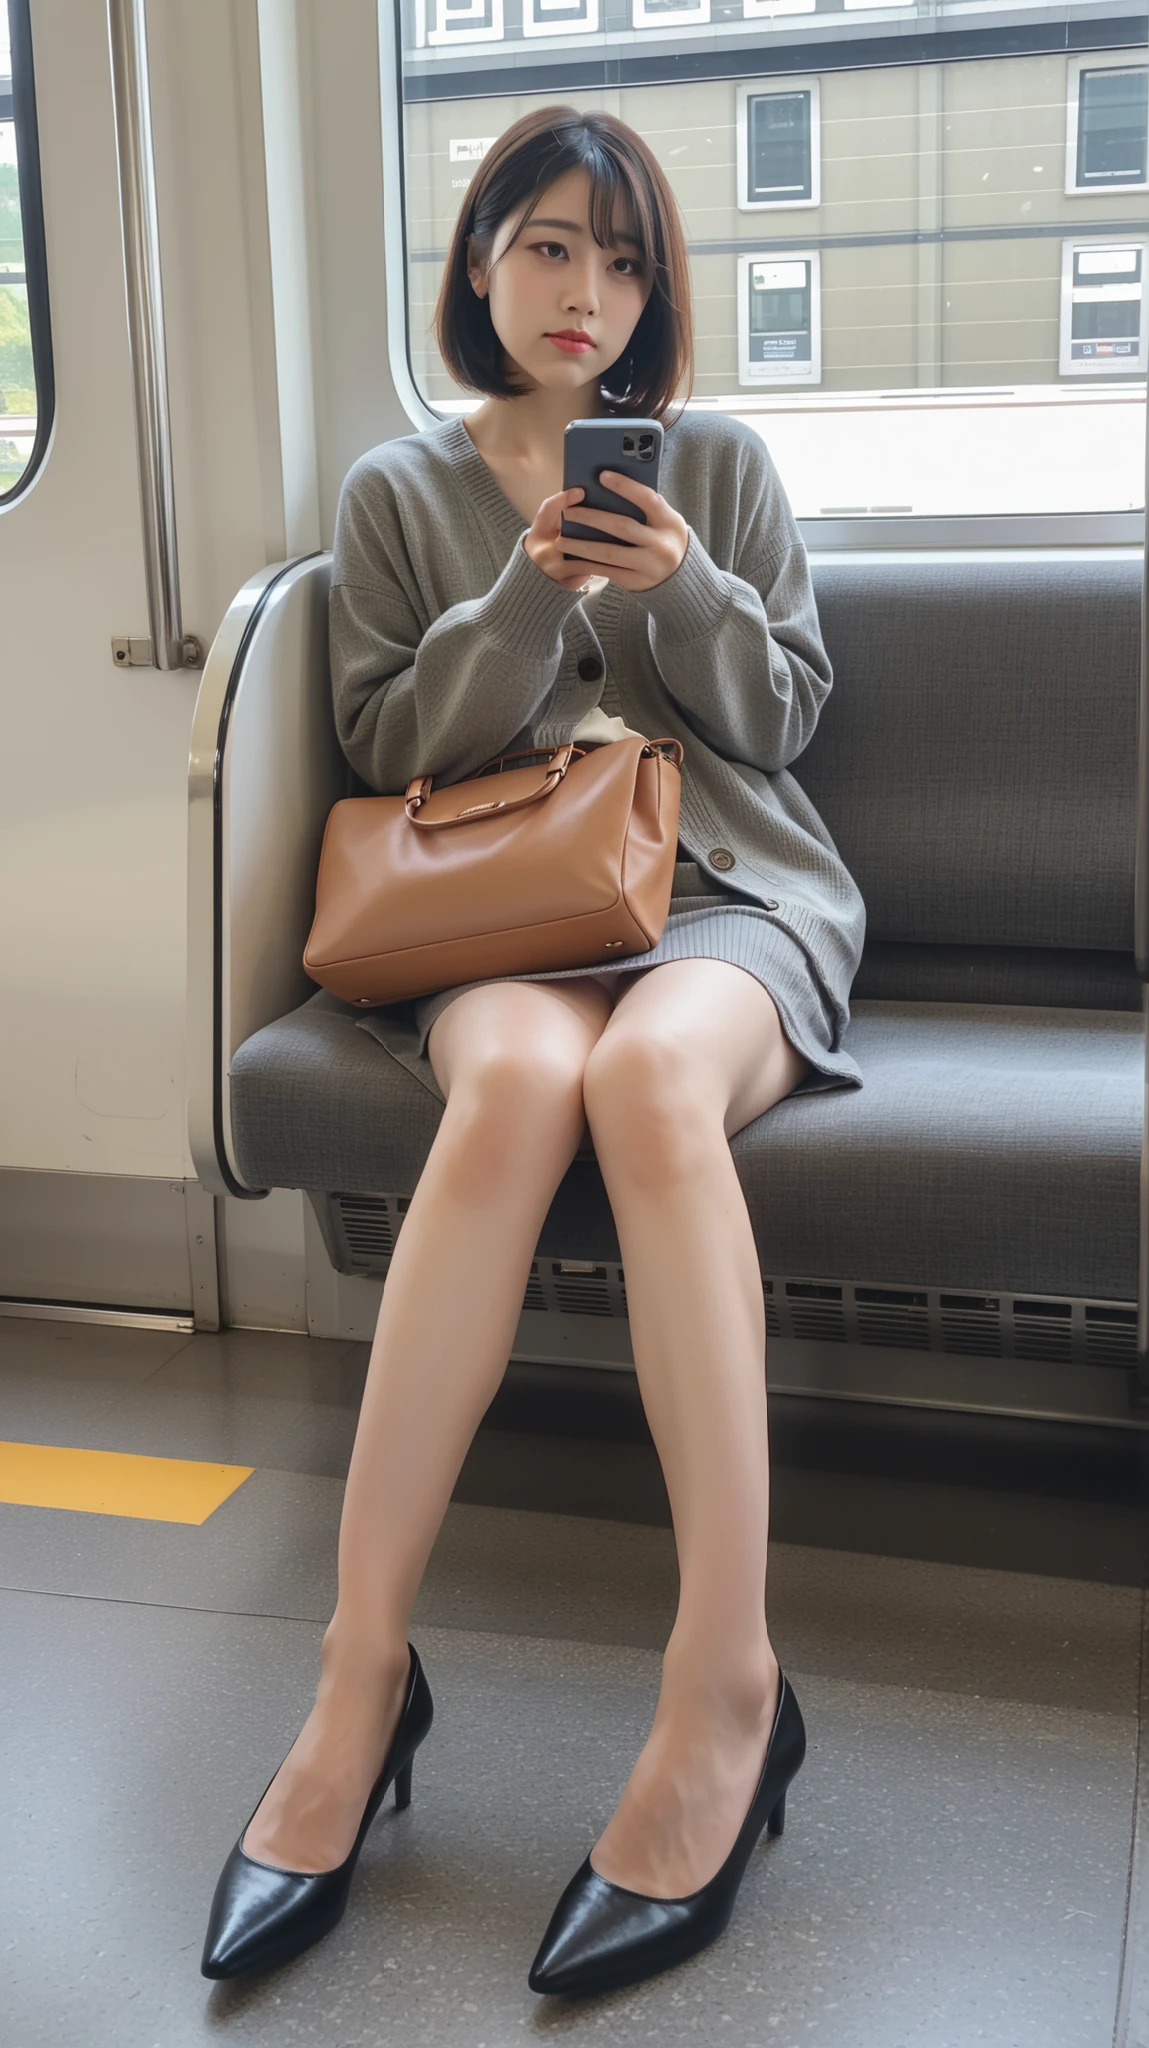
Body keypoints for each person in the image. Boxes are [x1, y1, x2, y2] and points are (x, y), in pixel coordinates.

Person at [202, 104, 865, 1998]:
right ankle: (357, 1682)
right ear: (480, 260)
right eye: (551, 247)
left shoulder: (717, 466)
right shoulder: (396, 497)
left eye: (625, 259)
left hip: (732, 898)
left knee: (652, 1086)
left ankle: (727, 1687)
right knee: (508, 1084)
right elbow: (396, 744)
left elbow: (787, 722)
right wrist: (534, 591)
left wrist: (675, 584)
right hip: (503, 904)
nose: (588, 293)